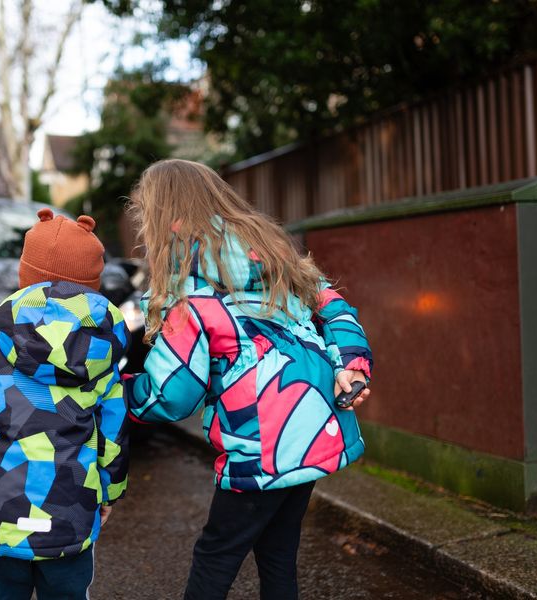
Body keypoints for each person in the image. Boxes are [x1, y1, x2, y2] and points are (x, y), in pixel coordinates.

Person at [122, 159, 373, 600]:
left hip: (262, 444)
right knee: (278, 552)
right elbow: (332, 304)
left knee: (216, 555)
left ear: (163, 215)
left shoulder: (189, 290)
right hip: (314, 426)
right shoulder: (269, 251)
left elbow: (172, 394)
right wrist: (351, 362)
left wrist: (119, 391)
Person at [0, 208, 130, 600]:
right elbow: (114, 430)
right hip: (71, 509)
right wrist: (108, 491)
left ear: (26, 274)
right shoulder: (104, 350)